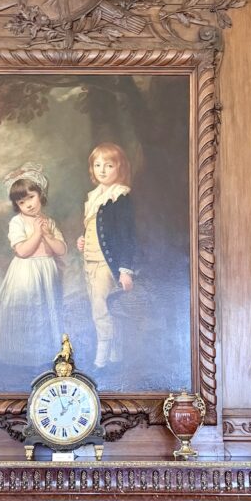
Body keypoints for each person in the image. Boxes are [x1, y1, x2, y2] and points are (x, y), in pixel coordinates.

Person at [0, 162, 67, 368]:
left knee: (46, 311)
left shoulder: (49, 222)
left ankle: (44, 354)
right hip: (26, 273)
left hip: (46, 271)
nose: (28, 204)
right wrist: (37, 233)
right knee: (26, 310)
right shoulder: (17, 223)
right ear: (17, 206)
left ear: (40, 195)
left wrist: (46, 233)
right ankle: (20, 356)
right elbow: (22, 251)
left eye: (31, 197)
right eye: (21, 201)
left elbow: (61, 250)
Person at [76, 142, 136, 369]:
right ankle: (115, 353)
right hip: (89, 260)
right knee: (100, 304)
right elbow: (95, 227)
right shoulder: (94, 196)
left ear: (119, 168)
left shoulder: (120, 197)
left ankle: (102, 354)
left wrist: (125, 269)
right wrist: (83, 239)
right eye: (98, 165)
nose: (102, 170)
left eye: (109, 165)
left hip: (106, 262)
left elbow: (126, 234)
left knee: (99, 306)